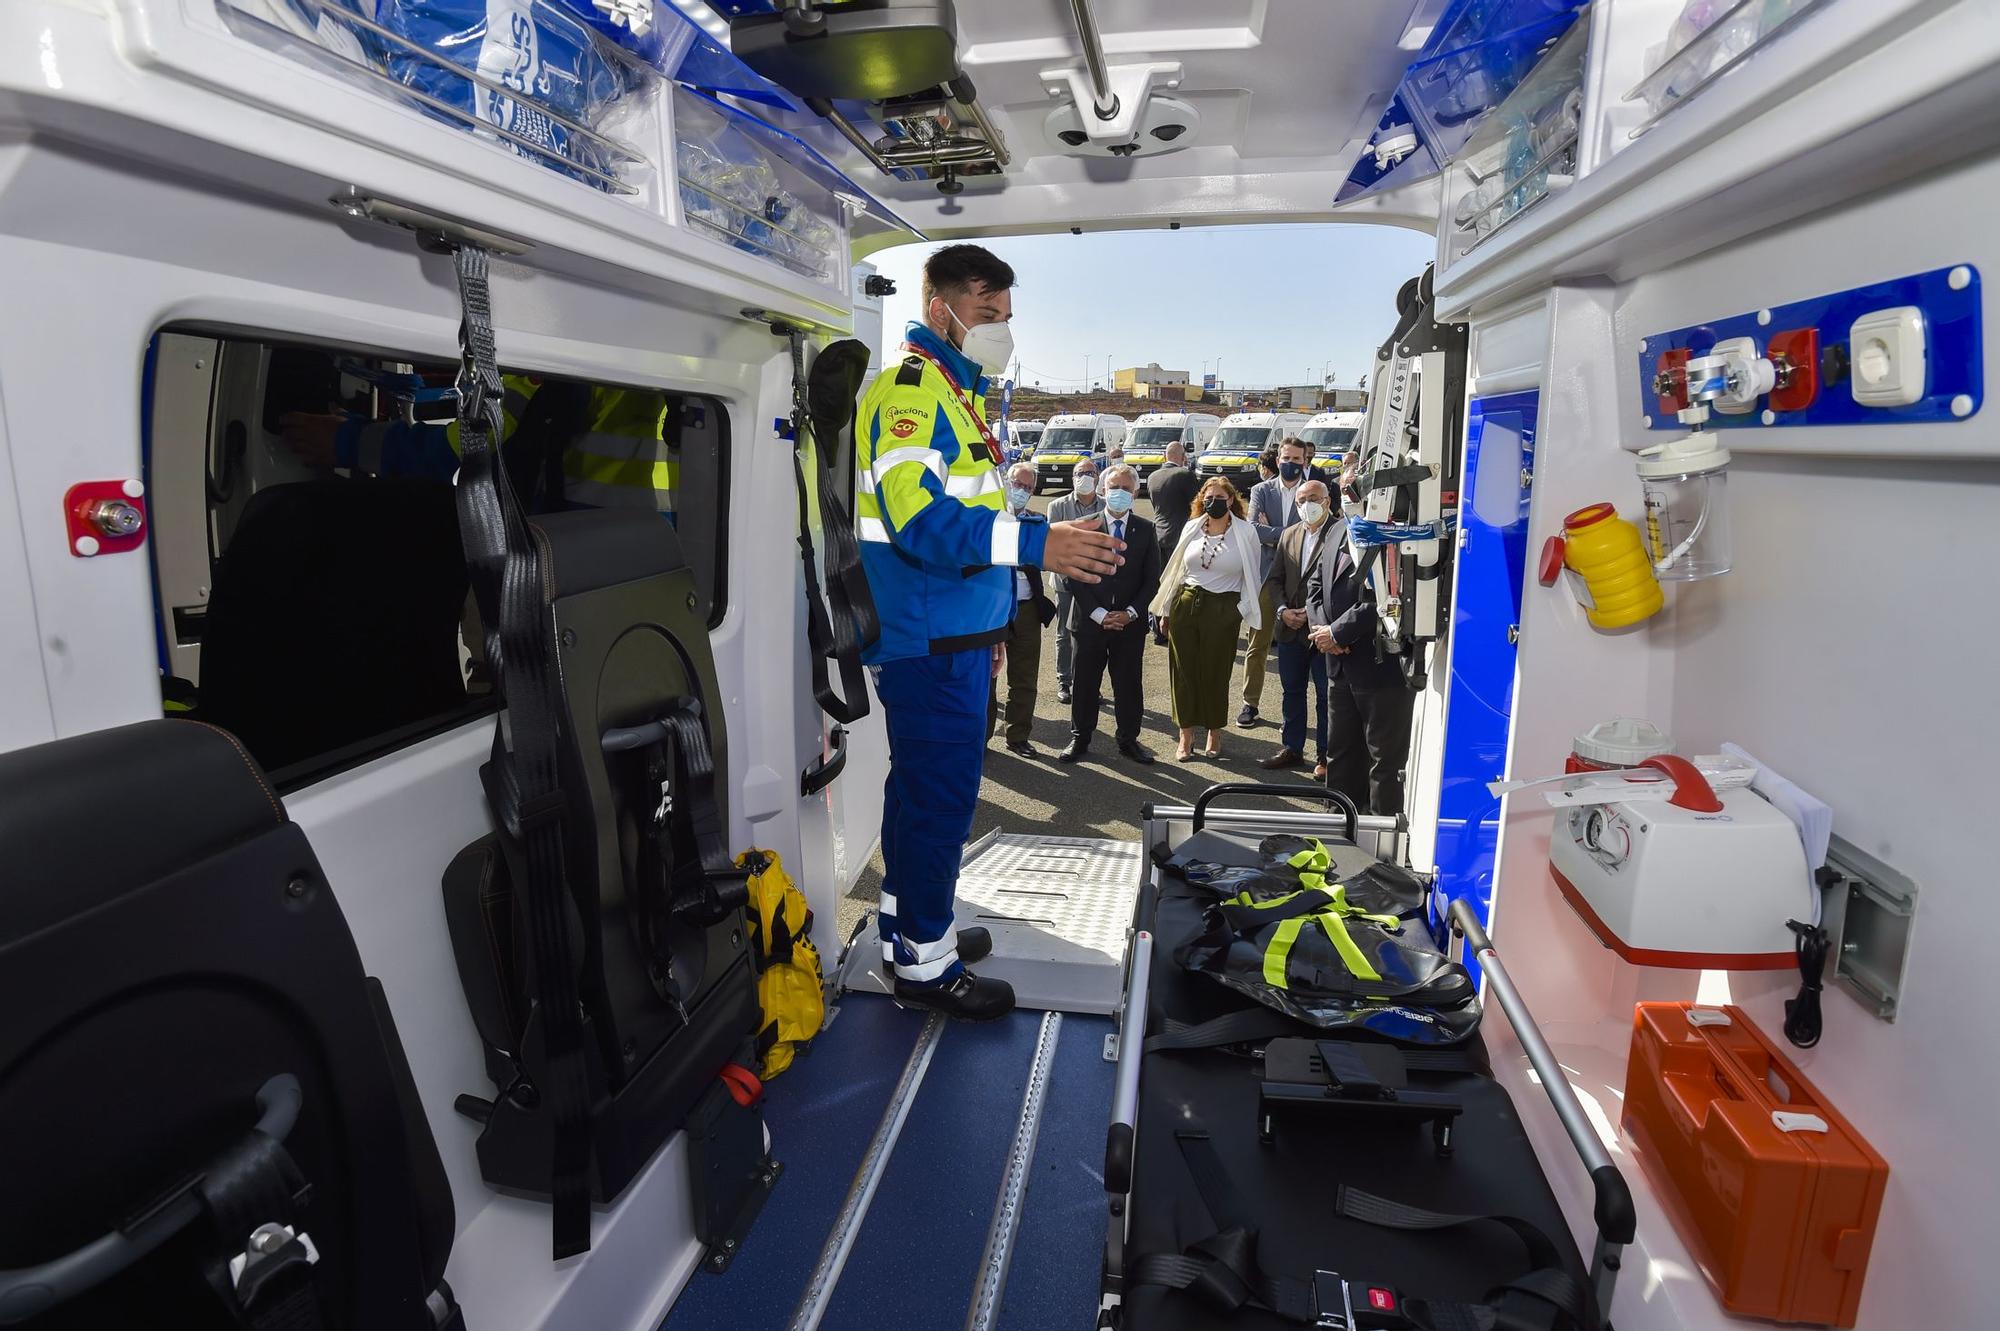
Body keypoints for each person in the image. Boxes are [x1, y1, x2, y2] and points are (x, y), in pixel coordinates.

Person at [855, 244, 1124, 1020]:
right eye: (985, 313)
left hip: (956, 634)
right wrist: (1042, 545)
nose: (999, 330)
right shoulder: (911, 390)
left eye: (1006, 317)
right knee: (940, 801)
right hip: (928, 641)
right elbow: (920, 519)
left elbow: (975, 515)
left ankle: (909, 929)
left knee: (917, 795)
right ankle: (926, 967)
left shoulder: (952, 388)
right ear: (940, 308)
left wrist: (996, 616)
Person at [1307, 460, 1416, 814]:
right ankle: (1338, 824)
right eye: (1345, 486)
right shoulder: (1338, 529)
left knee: (1382, 763)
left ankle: (1383, 844)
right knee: (1340, 755)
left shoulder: (1394, 532)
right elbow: (1315, 587)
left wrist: (1337, 631)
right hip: (1339, 668)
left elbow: (1386, 599)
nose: (1349, 492)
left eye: (1356, 486)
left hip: (1380, 669)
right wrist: (1325, 632)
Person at [1150, 476, 1263, 762]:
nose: (1214, 502)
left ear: (1231, 501)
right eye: (1208, 497)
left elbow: (1253, 575)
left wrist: (1240, 611)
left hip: (1223, 607)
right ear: (1201, 500)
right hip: (1186, 604)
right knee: (1183, 671)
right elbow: (1176, 570)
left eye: (1220, 498)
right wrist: (1165, 610)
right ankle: (1185, 734)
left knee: (1216, 672)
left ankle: (1214, 731)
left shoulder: (1245, 532)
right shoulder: (1192, 527)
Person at [1059, 464, 1162, 766]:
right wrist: (1099, 613)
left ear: (1136, 493)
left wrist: (1130, 613)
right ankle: (1080, 737)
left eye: (1126, 489)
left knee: (1128, 683)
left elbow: (1151, 579)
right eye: (1114, 488)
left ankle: (1128, 739)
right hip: (1090, 622)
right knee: (1085, 683)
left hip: (1129, 625)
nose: (1119, 494)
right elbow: (1072, 576)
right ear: (1103, 491)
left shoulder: (1146, 529)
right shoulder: (1085, 525)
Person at [1259, 478, 1335, 775]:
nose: (1306, 505)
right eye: (1301, 501)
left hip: (1323, 632)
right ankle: (1292, 748)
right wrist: (1282, 611)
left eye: (1313, 498)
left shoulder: (1340, 533)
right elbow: (1274, 579)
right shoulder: (1289, 534)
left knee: (1326, 696)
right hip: (1290, 629)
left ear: (1327, 501)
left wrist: (1316, 615)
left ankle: (1326, 757)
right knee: (1292, 691)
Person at [1238, 437, 1310, 727]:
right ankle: (1249, 703)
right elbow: (1254, 529)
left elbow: (1317, 530)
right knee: (1258, 644)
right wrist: (1295, 533)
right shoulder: (1260, 490)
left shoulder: (1313, 491)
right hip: (1267, 577)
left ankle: (1295, 712)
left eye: (1296, 459)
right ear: (1277, 459)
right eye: (1285, 458)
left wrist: (1275, 532)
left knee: (1302, 647)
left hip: (1304, 578)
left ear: (1305, 461)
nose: (1290, 464)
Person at [987, 461, 1057, 757]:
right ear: (1006, 482)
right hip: (992, 610)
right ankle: (981, 737)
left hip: (1026, 610)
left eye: (1028, 488)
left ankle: (1018, 735)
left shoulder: (1037, 522)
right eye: (1017, 484)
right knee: (986, 678)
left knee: (1025, 678)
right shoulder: (989, 518)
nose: (1021, 491)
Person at [1046, 458, 1106, 705]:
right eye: (1080, 473)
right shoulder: (1057, 505)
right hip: (1066, 580)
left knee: (1093, 633)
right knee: (1065, 632)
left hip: (1095, 580)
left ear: (1098, 477)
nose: (1085, 477)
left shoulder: (1106, 505)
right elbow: (1052, 542)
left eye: (1090, 472)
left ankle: (1090, 683)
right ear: (1072, 478)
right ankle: (1065, 681)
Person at [1147, 441, 1199, 645]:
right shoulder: (1185, 475)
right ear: (1183, 456)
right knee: (1178, 585)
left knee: (1160, 584)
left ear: (1164, 455)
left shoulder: (1153, 477)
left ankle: (1157, 629)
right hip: (1180, 536)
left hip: (1157, 535)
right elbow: (1197, 505)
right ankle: (1176, 628)